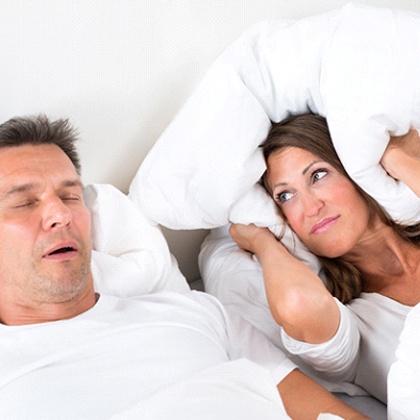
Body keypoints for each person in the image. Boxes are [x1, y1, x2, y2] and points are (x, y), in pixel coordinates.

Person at [0, 114, 367, 419]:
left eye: (70, 196)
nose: (61, 215)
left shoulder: (198, 314)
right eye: (24, 202)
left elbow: (329, 414)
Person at [229, 113, 420, 406]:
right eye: (285, 196)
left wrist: (394, 155)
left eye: (317, 176)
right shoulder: (352, 324)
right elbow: (298, 302)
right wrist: (263, 241)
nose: (310, 207)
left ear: (354, 171)